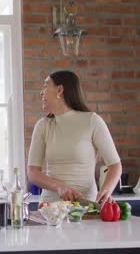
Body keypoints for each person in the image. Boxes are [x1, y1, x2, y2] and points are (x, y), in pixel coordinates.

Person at [27, 70, 122, 206]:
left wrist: (106, 190)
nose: (41, 93)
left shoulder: (92, 121)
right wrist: (59, 186)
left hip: (86, 207)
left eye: (46, 86)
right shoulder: (43, 126)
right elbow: (32, 173)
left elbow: (115, 165)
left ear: (59, 90)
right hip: (51, 209)